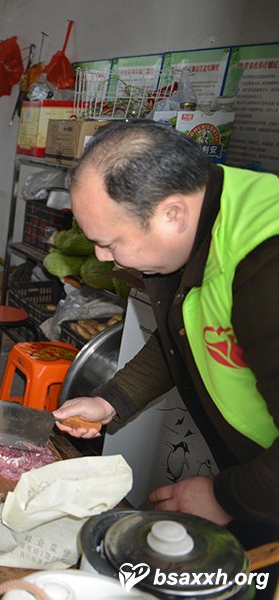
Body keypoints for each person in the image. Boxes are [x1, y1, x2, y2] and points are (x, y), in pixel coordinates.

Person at [51, 121, 279, 539]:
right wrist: (110, 402)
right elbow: (186, 334)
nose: (104, 259)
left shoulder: (267, 265)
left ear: (173, 214)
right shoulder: (205, 220)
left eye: (111, 241)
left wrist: (224, 497)